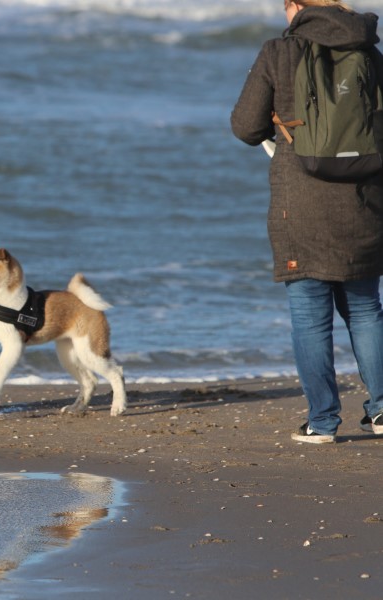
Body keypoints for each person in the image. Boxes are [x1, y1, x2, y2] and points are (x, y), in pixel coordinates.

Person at [231, 0, 383, 443]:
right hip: (364, 200)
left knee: (310, 318)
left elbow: (244, 125)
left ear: (294, 7)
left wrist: (279, 133)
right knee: (366, 309)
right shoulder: (370, 50)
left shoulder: (279, 52)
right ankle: (381, 411)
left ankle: (322, 422)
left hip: (301, 203)